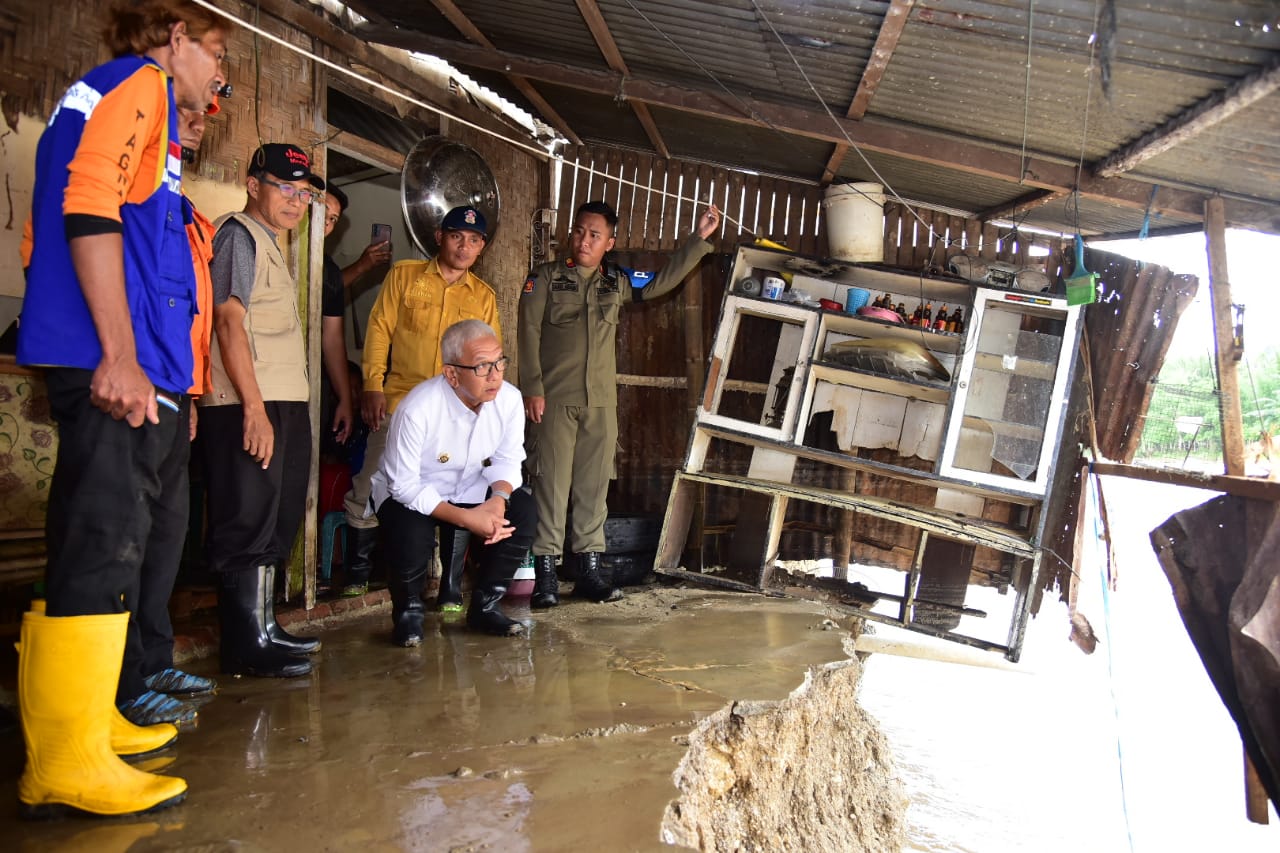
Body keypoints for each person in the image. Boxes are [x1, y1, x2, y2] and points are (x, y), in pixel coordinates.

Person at [14, 0, 227, 818]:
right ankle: (66, 760)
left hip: (94, 349)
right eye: (215, 57)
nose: (218, 81)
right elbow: (88, 207)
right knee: (104, 544)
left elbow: (47, 238)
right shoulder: (141, 84)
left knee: (95, 538)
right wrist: (115, 350)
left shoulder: (105, 94)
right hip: (104, 359)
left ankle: (88, 722)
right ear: (176, 39)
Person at [518, 199, 720, 607]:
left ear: (609, 242)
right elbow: (526, 333)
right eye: (579, 231)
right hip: (554, 401)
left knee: (593, 489)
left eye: (594, 235)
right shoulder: (544, 278)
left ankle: (590, 573)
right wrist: (532, 389)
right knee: (551, 487)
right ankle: (546, 578)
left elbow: (660, 282)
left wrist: (697, 240)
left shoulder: (617, 281)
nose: (584, 240)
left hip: (601, 405)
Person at [198, 142, 324, 679]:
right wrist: (253, 409)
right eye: (284, 187)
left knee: (278, 514)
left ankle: (264, 627)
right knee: (246, 515)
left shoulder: (274, 243)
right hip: (250, 402)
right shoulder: (238, 237)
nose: (296, 201)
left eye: (303, 192)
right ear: (254, 185)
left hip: (285, 401)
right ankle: (244, 643)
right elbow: (228, 323)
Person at [340, 205, 500, 606]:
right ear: (439, 238)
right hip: (399, 402)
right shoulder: (405, 276)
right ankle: (359, 573)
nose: (464, 246)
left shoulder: (483, 297)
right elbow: (379, 329)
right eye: (456, 237)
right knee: (374, 481)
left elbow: (488, 359)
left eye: (474, 240)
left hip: (455, 414)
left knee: (455, 489)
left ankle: (441, 583)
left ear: (481, 248)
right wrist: (372, 385)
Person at [370, 319, 533, 644]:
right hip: (413, 495)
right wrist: (468, 519)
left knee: (524, 512)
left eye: (500, 362)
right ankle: (409, 615)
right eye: (482, 366)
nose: (495, 375)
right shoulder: (418, 408)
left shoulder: (510, 400)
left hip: (474, 488)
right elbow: (404, 486)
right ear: (451, 374)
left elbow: (508, 459)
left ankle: (485, 607)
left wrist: (497, 501)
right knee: (409, 533)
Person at [318, 185, 390, 461]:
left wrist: (346, 401)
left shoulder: (327, 268)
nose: (327, 223)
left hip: (309, 382)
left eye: (334, 219)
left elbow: (332, 337)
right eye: (324, 212)